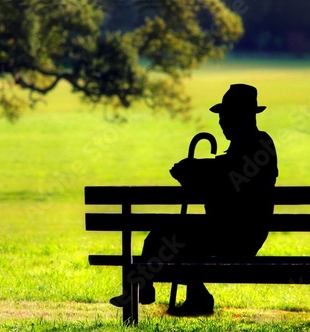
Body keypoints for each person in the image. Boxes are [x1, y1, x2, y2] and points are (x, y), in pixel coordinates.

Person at [110, 83, 278, 316]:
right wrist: (198, 172)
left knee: (167, 235)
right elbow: (225, 176)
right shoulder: (251, 145)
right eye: (222, 116)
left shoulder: (258, 146)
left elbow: (230, 177)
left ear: (242, 116)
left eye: (225, 115)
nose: (221, 121)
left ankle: (148, 290)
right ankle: (182, 294)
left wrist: (195, 169)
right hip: (231, 231)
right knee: (169, 237)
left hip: (237, 235)